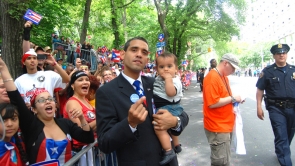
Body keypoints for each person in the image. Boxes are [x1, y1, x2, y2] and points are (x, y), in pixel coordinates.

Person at [96, 37, 189, 166]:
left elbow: (182, 114)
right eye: (134, 50)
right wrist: (130, 124)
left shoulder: (157, 83)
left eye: (144, 52)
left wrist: (174, 121)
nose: (139, 54)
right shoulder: (106, 92)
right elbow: (105, 143)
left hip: (169, 161)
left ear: (147, 60)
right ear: (123, 54)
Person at [0, 57, 94, 165]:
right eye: (42, 100)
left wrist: (82, 118)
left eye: (50, 99)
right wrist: (3, 68)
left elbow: (88, 138)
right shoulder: (31, 125)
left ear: (55, 105)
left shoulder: (65, 123)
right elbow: (15, 97)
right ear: (34, 109)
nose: (48, 102)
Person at [256, 44, 295, 166]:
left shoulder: (293, 70)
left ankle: (281, 150)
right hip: (276, 108)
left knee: (290, 133)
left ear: (286, 54)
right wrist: (259, 106)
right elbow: (260, 90)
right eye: (279, 53)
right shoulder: (267, 72)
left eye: (283, 53)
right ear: (274, 56)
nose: (281, 55)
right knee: (281, 134)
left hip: (293, 108)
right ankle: (285, 161)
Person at [203, 53, 243, 166]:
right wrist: (233, 98)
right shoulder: (212, 77)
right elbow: (213, 103)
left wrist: (235, 99)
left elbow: (223, 97)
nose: (234, 71)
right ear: (225, 63)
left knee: (223, 159)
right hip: (217, 126)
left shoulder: (223, 76)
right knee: (221, 161)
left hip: (224, 125)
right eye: (233, 68)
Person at [153, 52, 184, 165]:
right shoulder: (157, 79)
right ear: (157, 69)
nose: (165, 70)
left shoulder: (174, 80)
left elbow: (171, 93)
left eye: (169, 66)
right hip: (166, 106)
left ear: (176, 69)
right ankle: (176, 145)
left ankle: (168, 150)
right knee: (171, 128)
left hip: (170, 106)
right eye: (162, 67)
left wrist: (168, 80)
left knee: (159, 127)